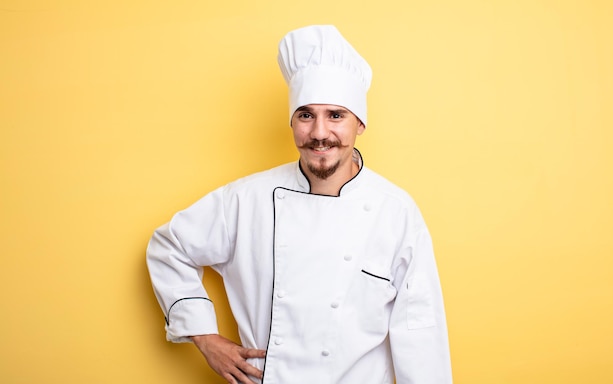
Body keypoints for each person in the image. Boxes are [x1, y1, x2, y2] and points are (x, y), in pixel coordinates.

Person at [147, 25, 452, 384]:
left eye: (336, 115)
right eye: (306, 115)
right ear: (292, 122)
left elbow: (420, 332)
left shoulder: (395, 212)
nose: (320, 132)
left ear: (360, 124)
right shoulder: (248, 200)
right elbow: (170, 247)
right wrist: (204, 336)